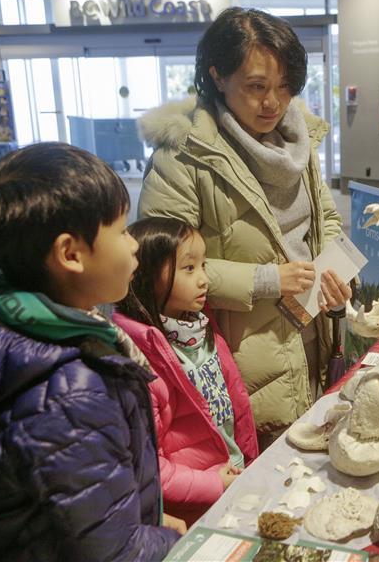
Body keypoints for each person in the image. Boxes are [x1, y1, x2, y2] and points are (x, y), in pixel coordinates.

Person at [138, 7, 351, 447]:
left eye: (285, 86)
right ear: (217, 76)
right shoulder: (184, 156)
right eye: (256, 87)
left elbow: (327, 218)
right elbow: (159, 265)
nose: (273, 102)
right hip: (241, 353)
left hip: (313, 332)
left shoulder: (300, 139)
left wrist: (334, 266)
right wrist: (269, 279)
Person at [0, 143, 183, 560]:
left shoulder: (26, 330)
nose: (133, 246)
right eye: (123, 230)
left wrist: (147, 519)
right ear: (70, 255)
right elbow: (115, 553)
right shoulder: (70, 392)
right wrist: (179, 544)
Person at [114, 217, 260, 525]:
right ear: (147, 274)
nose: (204, 279)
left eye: (203, 266)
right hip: (195, 510)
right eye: (189, 268)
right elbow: (150, 463)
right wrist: (215, 484)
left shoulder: (202, 328)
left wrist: (248, 462)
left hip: (239, 480)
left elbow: (236, 409)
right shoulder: (142, 358)